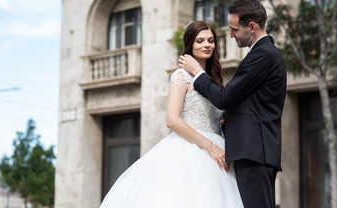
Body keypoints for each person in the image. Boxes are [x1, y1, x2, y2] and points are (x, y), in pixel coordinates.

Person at [99, 21, 243, 208]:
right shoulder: (180, 76)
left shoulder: (214, 80)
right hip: (192, 151)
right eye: (200, 41)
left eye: (210, 40)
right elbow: (172, 120)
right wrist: (209, 147)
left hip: (219, 151)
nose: (207, 45)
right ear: (190, 44)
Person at [179, 0, 287, 208]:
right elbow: (248, 103)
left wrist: (198, 73)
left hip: (255, 152)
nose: (230, 34)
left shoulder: (263, 54)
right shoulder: (263, 53)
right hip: (254, 152)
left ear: (252, 27)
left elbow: (225, 97)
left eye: (234, 29)